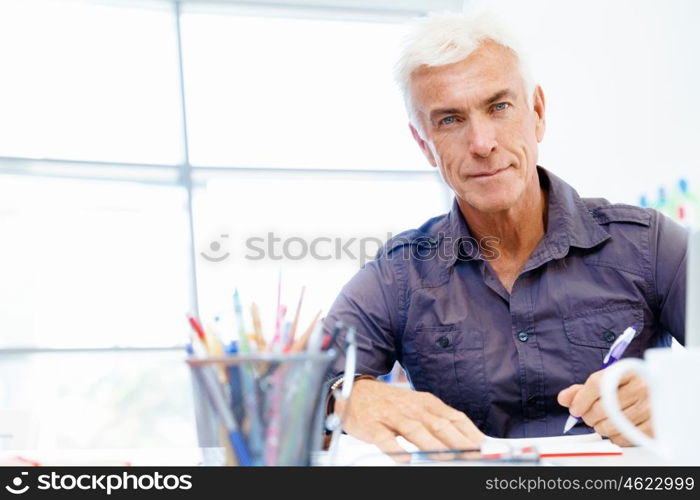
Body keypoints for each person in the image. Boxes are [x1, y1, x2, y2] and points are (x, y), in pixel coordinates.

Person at [322, 10, 687, 460]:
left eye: (498, 106)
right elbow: (282, 399)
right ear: (424, 145)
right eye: (450, 120)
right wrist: (347, 398)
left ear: (536, 113)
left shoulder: (650, 245)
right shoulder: (398, 275)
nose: (481, 142)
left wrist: (678, 397)